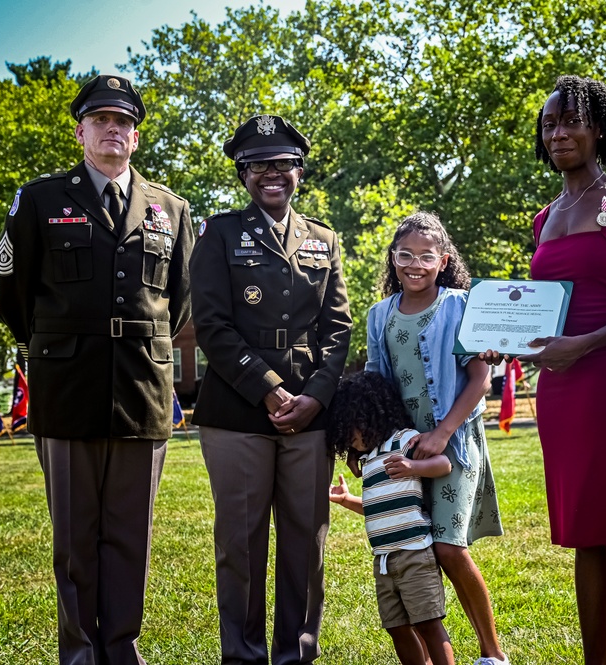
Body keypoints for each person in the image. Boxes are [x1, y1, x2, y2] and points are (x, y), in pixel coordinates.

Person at [0, 74, 194, 664]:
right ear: (81, 131)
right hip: (69, 388)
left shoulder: (171, 208)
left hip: (140, 389)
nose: (113, 129)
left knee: (131, 537)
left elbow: (177, 303)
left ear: (135, 136)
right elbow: (14, 292)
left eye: (124, 122)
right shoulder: (41, 200)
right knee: (76, 538)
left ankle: (121, 648)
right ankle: (80, 653)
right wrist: (57, 346)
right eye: (101, 120)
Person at [483, 75, 606, 665]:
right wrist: (506, 339)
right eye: (549, 125)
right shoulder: (544, 218)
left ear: (600, 129)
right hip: (560, 385)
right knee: (584, 528)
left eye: (571, 121)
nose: (559, 132)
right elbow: (543, 307)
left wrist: (583, 344)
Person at [189, 114, 352, 664]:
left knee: (307, 542)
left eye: (282, 164)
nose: (272, 174)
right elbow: (211, 324)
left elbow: (338, 329)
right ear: (243, 174)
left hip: (311, 409)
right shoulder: (218, 234)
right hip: (237, 409)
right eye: (259, 166)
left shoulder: (324, 240)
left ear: (299, 171)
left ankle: (295, 656)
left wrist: (318, 396)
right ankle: (242, 655)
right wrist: (267, 389)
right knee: (241, 542)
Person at [365, 212, 509, 665]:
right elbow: (375, 386)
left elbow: (480, 379)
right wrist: (367, 448)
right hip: (403, 449)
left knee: (448, 545)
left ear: (443, 261)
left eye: (426, 257)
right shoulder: (379, 316)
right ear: (393, 258)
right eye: (405, 255)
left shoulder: (461, 306)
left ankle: (492, 653)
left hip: (455, 443)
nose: (415, 265)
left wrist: (442, 432)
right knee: (415, 549)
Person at [326, 371, 455, 665]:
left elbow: (444, 464)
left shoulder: (404, 441)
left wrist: (412, 466)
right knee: (396, 627)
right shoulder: (369, 460)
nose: (351, 438)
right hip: (383, 561)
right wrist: (347, 500)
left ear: (372, 416)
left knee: (428, 623)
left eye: (354, 429)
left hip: (414, 553)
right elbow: (378, 507)